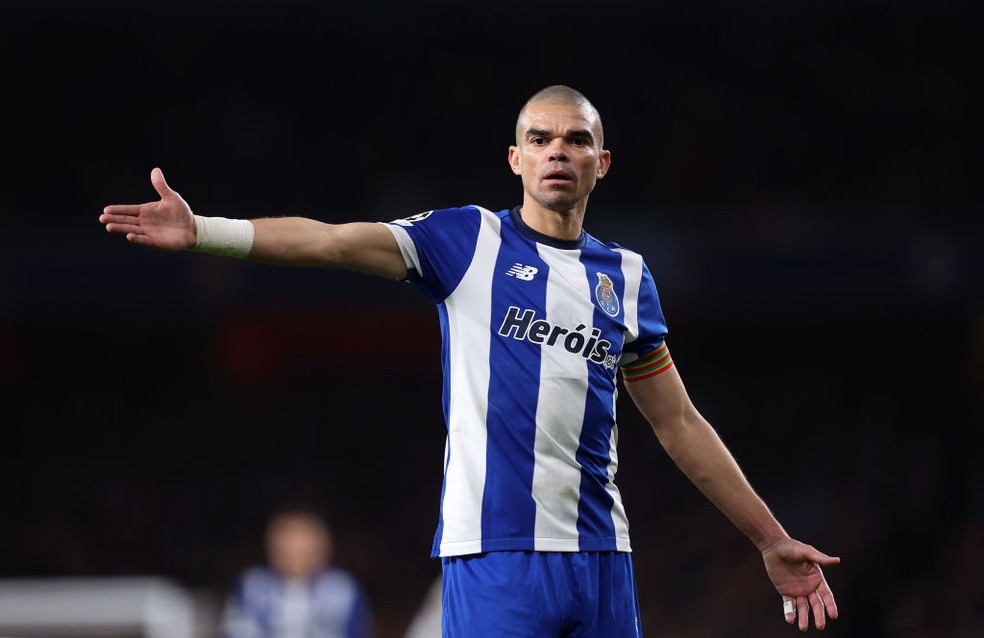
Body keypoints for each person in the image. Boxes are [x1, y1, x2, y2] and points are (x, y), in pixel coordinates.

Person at [101, 85, 840, 636]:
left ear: (602, 162)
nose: (559, 150)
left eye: (576, 139)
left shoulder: (628, 277)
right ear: (515, 158)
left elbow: (678, 422)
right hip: (492, 557)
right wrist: (208, 232)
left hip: (601, 557)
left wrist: (769, 538)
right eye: (541, 138)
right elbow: (332, 241)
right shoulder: (466, 242)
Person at [218, 505, 374, 638]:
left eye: (304, 544)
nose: (295, 551)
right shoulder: (252, 585)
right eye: (287, 540)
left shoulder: (343, 588)